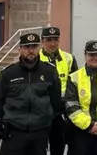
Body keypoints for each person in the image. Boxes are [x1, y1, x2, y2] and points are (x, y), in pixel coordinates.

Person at [0, 32, 62, 155]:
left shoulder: (49, 72)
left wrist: (44, 120)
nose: (31, 50)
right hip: (13, 134)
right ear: (20, 49)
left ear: (39, 48)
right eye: (27, 47)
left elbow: (56, 102)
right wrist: (10, 118)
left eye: (34, 47)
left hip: (39, 134)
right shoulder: (8, 74)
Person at [39, 26, 78, 155]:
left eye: (55, 39)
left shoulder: (69, 58)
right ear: (42, 41)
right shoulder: (36, 59)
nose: (52, 43)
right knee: (39, 148)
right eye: (48, 40)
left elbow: (75, 85)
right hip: (41, 111)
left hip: (61, 112)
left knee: (58, 147)